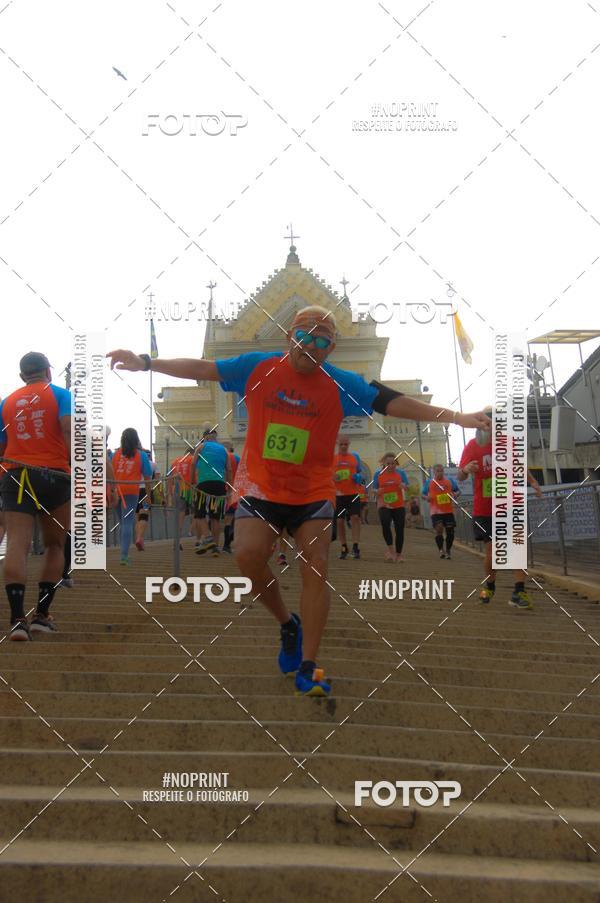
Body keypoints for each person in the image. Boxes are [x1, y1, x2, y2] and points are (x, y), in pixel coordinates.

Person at [108, 305, 490, 696]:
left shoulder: (342, 383)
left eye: (322, 338)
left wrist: (457, 417)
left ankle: (308, 664)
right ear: (290, 336)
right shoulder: (258, 367)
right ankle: (287, 624)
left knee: (317, 565)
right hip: (261, 486)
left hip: (312, 492)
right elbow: (204, 369)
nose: (311, 343)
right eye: (304, 334)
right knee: (246, 555)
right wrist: (146, 362)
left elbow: (394, 402)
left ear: (332, 348)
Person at [0, 352, 71, 640]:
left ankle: (18, 620)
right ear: (48, 372)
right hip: (55, 475)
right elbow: (68, 429)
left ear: (22, 376)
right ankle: (42, 615)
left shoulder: (7, 402)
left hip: (17, 475)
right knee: (55, 545)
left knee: (18, 544)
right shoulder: (61, 395)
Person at [458, 416, 542, 609]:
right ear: (481, 426)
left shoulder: (508, 443)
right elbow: (461, 476)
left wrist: (533, 482)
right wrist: (466, 469)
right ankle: (490, 585)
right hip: (485, 509)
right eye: (488, 423)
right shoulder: (473, 446)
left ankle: (519, 591)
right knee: (493, 551)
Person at [112, 429, 153, 565]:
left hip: (116, 490)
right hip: (131, 490)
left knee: (122, 523)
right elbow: (147, 478)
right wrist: (148, 495)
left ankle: (122, 552)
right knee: (128, 522)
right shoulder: (141, 455)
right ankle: (124, 555)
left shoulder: (116, 454)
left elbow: (110, 473)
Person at [192, 426, 231, 557]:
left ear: (204, 437)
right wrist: (229, 487)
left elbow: (193, 464)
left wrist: (192, 481)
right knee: (215, 517)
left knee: (199, 513)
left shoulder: (201, 447)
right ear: (215, 437)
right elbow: (229, 469)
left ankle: (208, 538)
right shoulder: (224, 450)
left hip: (204, 483)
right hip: (219, 484)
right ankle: (215, 547)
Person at [373, 453, 410, 561]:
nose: (390, 466)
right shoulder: (378, 474)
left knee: (399, 529)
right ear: (384, 464)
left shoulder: (401, 473)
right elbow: (374, 489)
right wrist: (377, 491)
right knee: (385, 523)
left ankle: (399, 554)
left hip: (398, 504)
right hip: (383, 504)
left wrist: (404, 486)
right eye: (388, 463)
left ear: (396, 463)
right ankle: (391, 551)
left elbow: (407, 487)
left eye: (393, 463)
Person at [332, 437, 363, 559]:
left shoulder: (354, 457)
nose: (344, 446)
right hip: (338, 495)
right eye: (341, 444)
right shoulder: (333, 458)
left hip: (353, 493)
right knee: (340, 521)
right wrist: (332, 476)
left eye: (346, 444)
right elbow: (326, 473)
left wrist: (358, 477)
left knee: (355, 517)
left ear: (349, 444)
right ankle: (344, 546)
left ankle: (356, 546)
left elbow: (360, 472)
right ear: (337, 444)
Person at [422, 464, 460, 560]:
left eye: (441, 471)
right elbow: (422, 494)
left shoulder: (449, 481)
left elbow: (458, 491)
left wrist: (455, 495)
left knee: (450, 531)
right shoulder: (429, 482)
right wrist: (427, 498)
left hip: (448, 510)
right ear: (434, 472)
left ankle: (448, 550)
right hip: (436, 511)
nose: (440, 473)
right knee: (439, 529)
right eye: (438, 471)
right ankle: (441, 550)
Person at [134, 449, 159, 551]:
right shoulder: (153, 465)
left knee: (137, 517)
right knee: (143, 516)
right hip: (146, 490)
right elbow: (157, 481)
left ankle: (139, 539)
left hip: (134, 491)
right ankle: (140, 538)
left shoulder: (136, 463)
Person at [223, 445, 240, 553]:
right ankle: (228, 542)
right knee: (234, 517)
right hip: (236, 490)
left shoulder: (223, 456)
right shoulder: (237, 458)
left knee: (227, 519)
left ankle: (226, 545)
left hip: (224, 490)